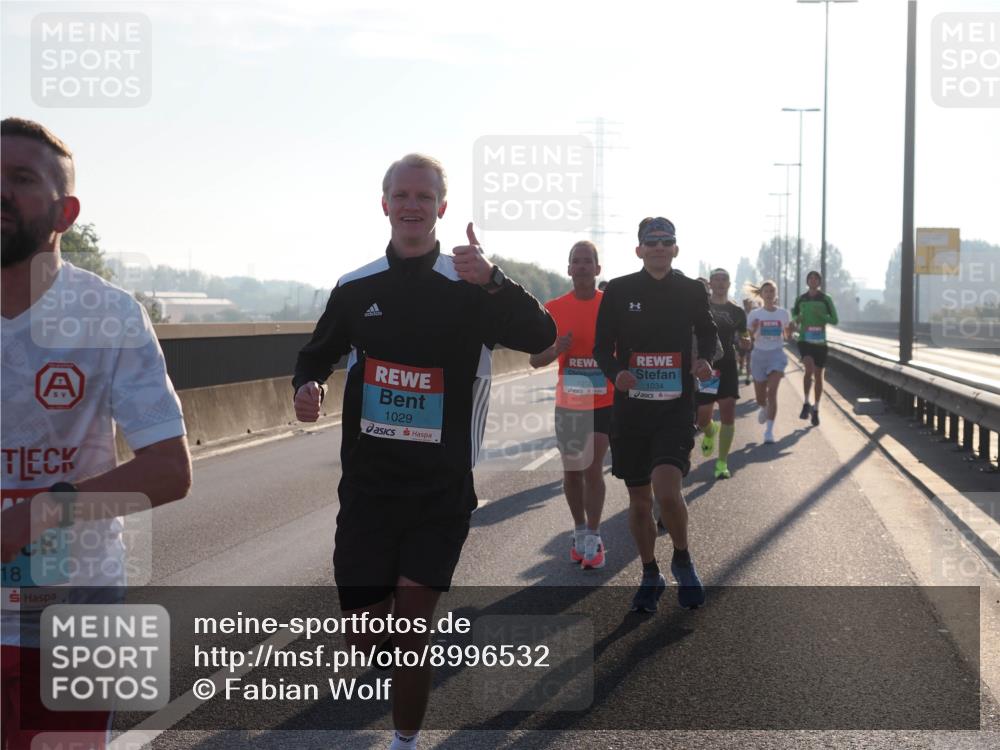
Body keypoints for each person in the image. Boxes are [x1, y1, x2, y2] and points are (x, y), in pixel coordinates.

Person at [292, 153, 555, 750]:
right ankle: (404, 676)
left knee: (413, 628)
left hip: (439, 489)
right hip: (367, 488)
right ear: (384, 204)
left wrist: (495, 279)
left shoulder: (470, 285)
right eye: (402, 195)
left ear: (442, 206)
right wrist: (306, 387)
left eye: (424, 195)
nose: (412, 204)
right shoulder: (356, 288)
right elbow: (316, 354)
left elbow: (542, 337)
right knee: (365, 634)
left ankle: (405, 741)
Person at [1, 118, 192, 749]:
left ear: (66, 211)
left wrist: (42, 513)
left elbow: (169, 470)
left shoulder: (108, 315)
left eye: (20, 179)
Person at [594, 217, 716, 613]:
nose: (659, 247)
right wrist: (618, 374)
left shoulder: (691, 290)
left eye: (667, 241)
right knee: (640, 503)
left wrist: (705, 361)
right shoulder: (619, 290)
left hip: (675, 408)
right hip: (631, 413)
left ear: (676, 249)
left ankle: (682, 557)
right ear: (639, 249)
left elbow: (710, 335)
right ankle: (650, 573)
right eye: (652, 241)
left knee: (667, 491)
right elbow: (601, 348)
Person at [530, 240, 612, 569]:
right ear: (569, 269)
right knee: (572, 473)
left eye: (587, 261)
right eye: (575, 261)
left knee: (593, 467)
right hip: (570, 399)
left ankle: (593, 536)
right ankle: (579, 530)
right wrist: (557, 348)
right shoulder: (553, 308)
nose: (581, 266)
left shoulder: (611, 306)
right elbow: (536, 360)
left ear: (597, 268)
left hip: (604, 399)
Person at [696, 269, 749, 479]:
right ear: (710, 283)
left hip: (727, 366)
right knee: (703, 418)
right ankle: (710, 431)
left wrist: (747, 341)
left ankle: (722, 463)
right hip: (709, 367)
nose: (719, 282)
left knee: (728, 410)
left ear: (729, 284)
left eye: (723, 279)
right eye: (716, 279)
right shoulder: (701, 307)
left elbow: (745, 335)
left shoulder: (737, 312)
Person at [790, 270, 839, 426]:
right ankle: (805, 402)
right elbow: (795, 318)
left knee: (819, 376)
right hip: (805, 340)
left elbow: (835, 320)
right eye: (810, 278)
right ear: (807, 281)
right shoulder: (801, 299)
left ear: (819, 282)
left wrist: (821, 315)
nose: (812, 280)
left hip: (820, 343)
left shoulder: (826, 299)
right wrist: (797, 319)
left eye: (815, 278)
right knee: (809, 369)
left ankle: (816, 408)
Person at [745, 281, 791, 444]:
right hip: (759, 356)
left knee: (772, 393)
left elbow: (788, 335)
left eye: (772, 291)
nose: (769, 294)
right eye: (766, 291)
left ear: (775, 294)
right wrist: (754, 329)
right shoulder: (754, 314)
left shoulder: (783, 314)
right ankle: (763, 407)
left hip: (776, 355)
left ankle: (769, 432)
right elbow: (748, 337)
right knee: (760, 397)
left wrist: (791, 329)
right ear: (762, 295)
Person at [739, 297, 756, 385]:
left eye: (750, 304)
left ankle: (748, 377)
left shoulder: (754, 313)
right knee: (742, 357)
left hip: (752, 338)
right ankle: (741, 366)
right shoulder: (741, 313)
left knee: (749, 358)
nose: (748, 306)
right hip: (742, 337)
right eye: (746, 304)